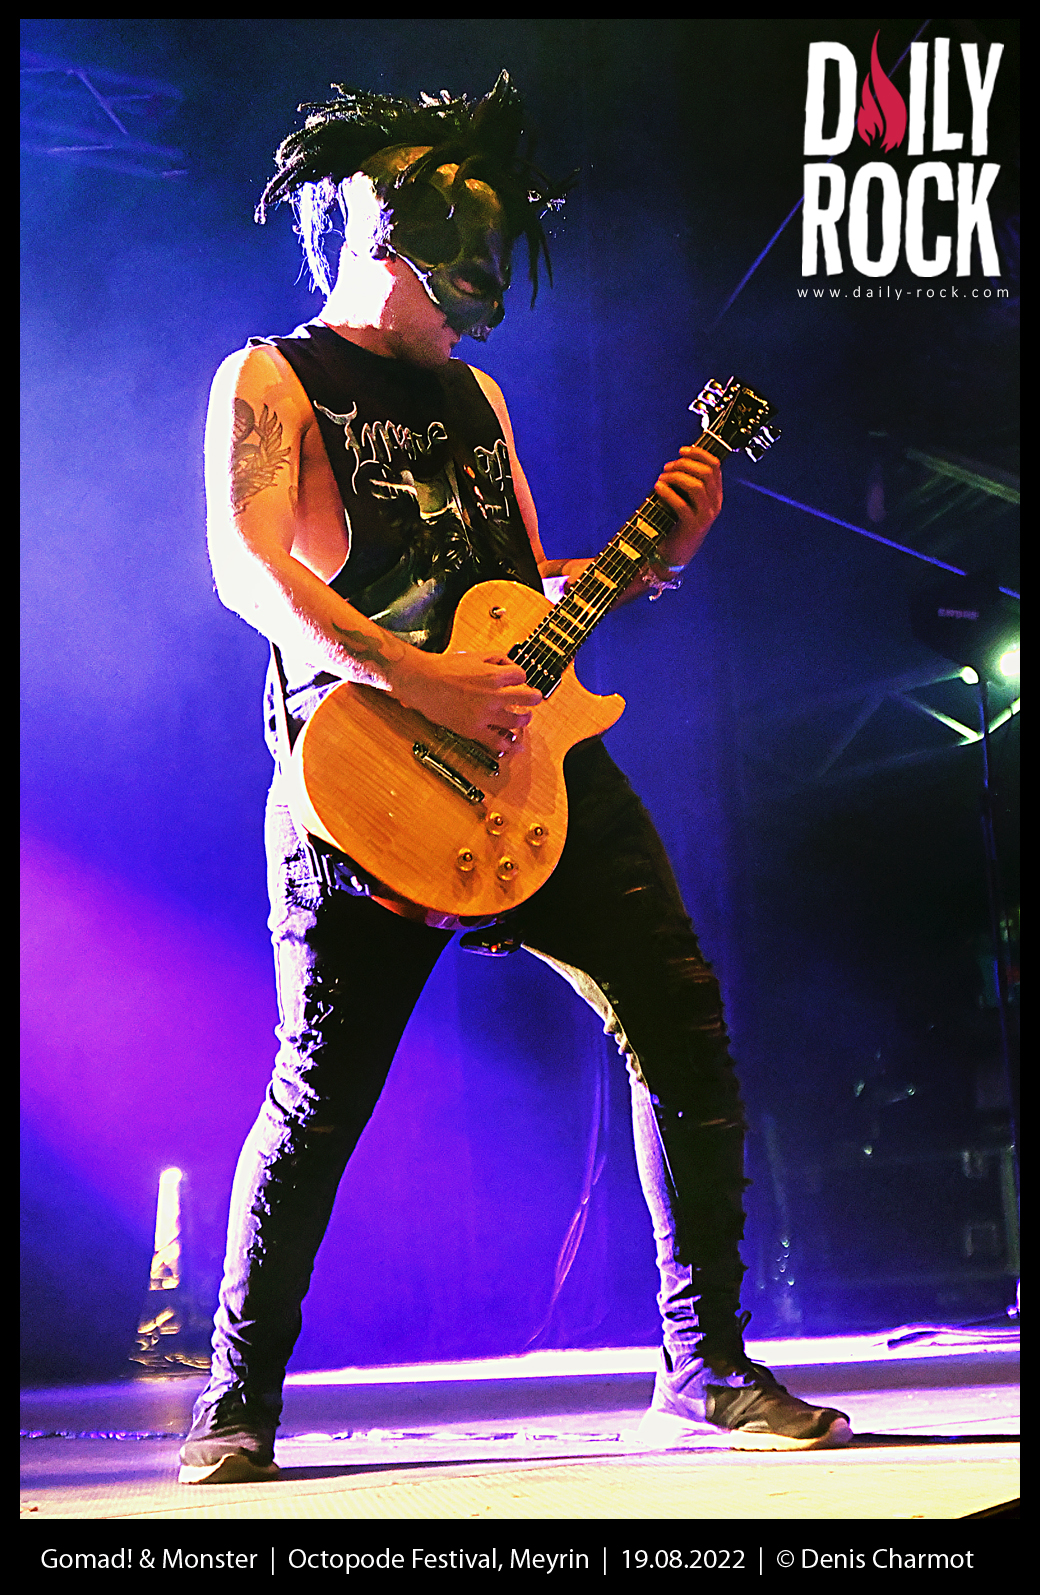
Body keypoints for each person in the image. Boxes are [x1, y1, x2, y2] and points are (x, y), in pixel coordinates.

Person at [180, 72, 851, 1485]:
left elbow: (514, 591)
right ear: (386, 245)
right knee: (317, 1096)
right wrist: (414, 679)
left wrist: (652, 557)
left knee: (682, 1022)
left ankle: (707, 1365)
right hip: (364, 778)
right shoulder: (273, 378)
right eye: (455, 290)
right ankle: (235, 1402)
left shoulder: (474, 396)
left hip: (531, 762)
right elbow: (248, 568)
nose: (472, 320)